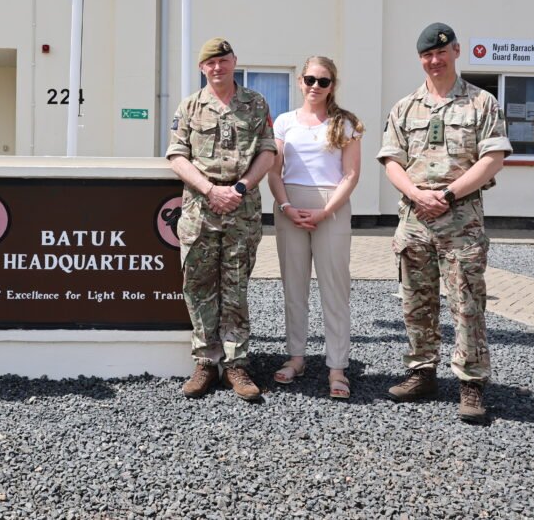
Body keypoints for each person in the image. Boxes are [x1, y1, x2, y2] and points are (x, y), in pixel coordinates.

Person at [378, 22, 511, 424]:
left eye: (441, 52)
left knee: (467, 302)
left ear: (455, 51)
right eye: (426, 56)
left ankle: (471, 383)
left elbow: (494, 158)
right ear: (420, 59)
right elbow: (391, 160)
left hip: (461, 220)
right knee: (416, 302)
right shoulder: (405, 107)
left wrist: (449, 194)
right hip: (415, 218)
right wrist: (418, 195)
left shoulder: (481, 103)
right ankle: (421, 372)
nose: (434, 61)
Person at [166, 37, 277, 401]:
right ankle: (205, 361)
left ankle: (236, 365)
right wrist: (210, 190)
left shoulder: (256, 103)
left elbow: (267, 151)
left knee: (236, 288)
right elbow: (177, 155)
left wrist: (241, 188)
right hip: (201, 210)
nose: (218, 67)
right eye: (210, 63)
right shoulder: (190, 107)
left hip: (242, 210)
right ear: (202, 68)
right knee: (198, 287)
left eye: (223, 60)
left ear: (234, 62)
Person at [267, 56, 363, 399]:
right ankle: (296, 358)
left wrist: (325, 212)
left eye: (323, 81)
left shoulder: (345, 123)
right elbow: (274, 171)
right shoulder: (283, 122)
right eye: (310, 79)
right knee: (294, 287)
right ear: (299, 81)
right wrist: (286, 206)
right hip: (290, 206)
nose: (315, 86)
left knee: (335, 289)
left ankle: (337, 366)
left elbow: (351, 174)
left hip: (331, 209)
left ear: (332, 85)